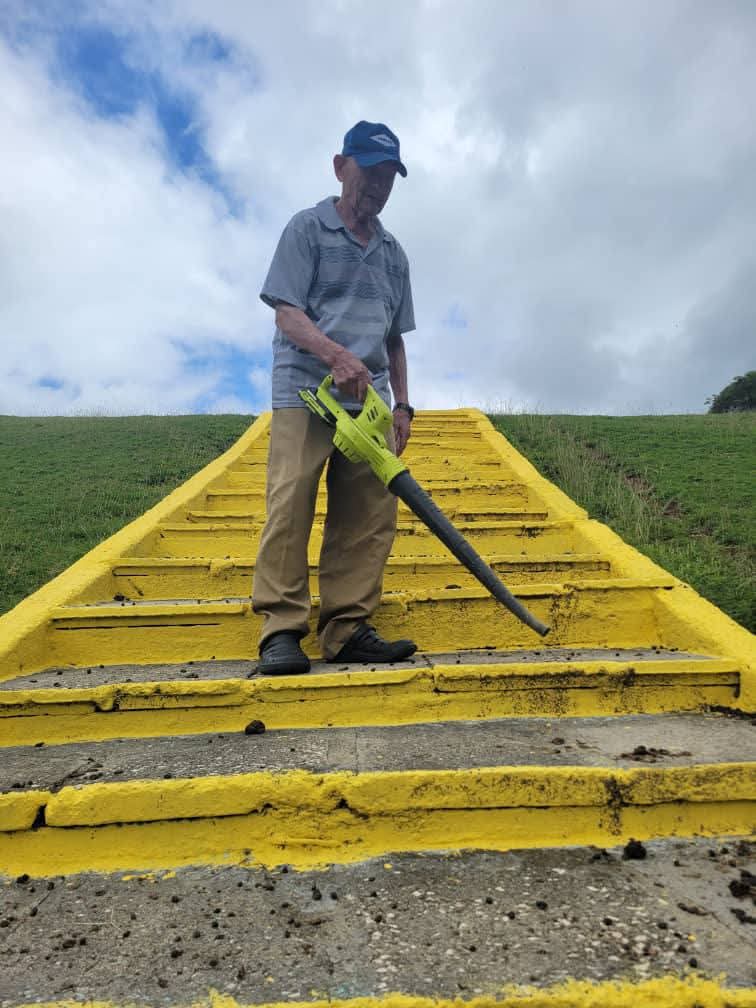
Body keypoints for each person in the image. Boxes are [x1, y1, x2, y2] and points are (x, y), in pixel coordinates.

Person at [252, 121, 418, 676]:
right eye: (368, 171)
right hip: (307, 389)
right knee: (291, 498)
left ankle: (347, 628)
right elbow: (286, 312)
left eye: (388, 176)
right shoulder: (307, 229)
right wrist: (335, 355)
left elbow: (395, 338)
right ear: (339, 166)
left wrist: (402, 406)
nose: (377, 186)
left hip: (370, 402)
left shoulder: (394, 253)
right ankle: (280, 630)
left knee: (369, 514)